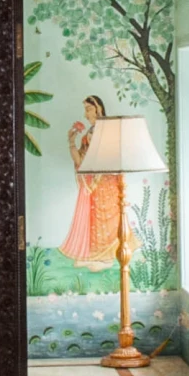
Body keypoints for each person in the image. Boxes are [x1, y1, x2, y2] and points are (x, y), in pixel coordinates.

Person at [59, 94, 130, 271]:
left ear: (98, 108)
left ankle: (106, 258)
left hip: (105, 182)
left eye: (88, 109)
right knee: (93, 218)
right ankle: (93, 255)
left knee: (105, 217)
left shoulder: (106, 130)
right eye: (85, 110)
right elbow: (80, 161)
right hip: (93, 183)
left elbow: (110, 158)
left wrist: (98, 177)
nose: (86, 114)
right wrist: (71, 140)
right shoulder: (90, 132)